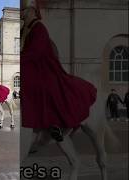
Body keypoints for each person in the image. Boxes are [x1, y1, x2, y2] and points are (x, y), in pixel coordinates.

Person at [21, 0, 97, 142]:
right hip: (33, 65)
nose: (21, 14)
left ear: (31, 10)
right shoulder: (27, 29)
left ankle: (54, 123)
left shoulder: (39, 28)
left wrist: (19, 59)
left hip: (45, 67)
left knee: (47, 88)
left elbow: (35, 52)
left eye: (23, 10)